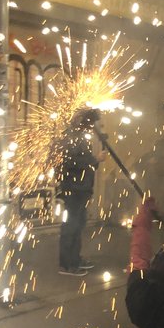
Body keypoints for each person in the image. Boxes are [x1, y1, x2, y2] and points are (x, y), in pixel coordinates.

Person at [55, 108, 107, 276]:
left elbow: (84, 164)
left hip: (81, 188)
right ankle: (67, 265)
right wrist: (95, 159)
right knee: (71, 225)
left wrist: (95, 161)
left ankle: (75, 259)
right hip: (74, 189)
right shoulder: (71, 137)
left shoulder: (79, 136)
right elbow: (70, 162)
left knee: (78, 225)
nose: (92, 127)